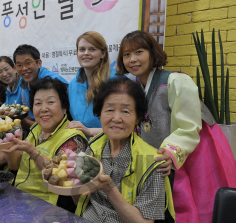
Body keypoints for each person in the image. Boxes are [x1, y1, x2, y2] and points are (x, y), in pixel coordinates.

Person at [116, 30, 236, 223]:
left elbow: (189, 125)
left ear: (152, 52)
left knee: (195, 200)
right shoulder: (133, 86)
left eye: (139, 52)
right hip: (159, 150)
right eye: (126, 55)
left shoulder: (176, 80)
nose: (132, 59)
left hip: (191, 148)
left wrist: (171, 153)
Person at [75, 77, 175, 222]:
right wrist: (72, 181)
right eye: (109, 110)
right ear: (100, 113)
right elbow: (81, 200)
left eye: (126, 112)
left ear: (137, 118)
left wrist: (109, 190)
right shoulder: (93, 146)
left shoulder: (153, 162)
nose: (116, 118)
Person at [2, 77, 87, 212]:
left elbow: (60, 180)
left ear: (64, 108)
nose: (43, 109)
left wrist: (33, 152)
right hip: (20, 199)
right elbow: (14, 166)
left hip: (49, 208)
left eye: (51, 102)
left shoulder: (74, 138)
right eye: (38, 103)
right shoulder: (36, 129)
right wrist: (9, 145)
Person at [67, 31, 118, 138]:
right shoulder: (72, 84)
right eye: (82, 49)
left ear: (103, 54)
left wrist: (89, 131)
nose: (86, 53)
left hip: (110, 147)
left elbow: (123, 126)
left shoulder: (117, 82)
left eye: (92, 49)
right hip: (81, 148)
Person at [12, 44, 68, 129]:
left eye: (28, 63)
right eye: (19, 65)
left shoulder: (55, 82)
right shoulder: (23, 82)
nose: (24, 68)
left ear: (39, 63)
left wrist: (22, 121)